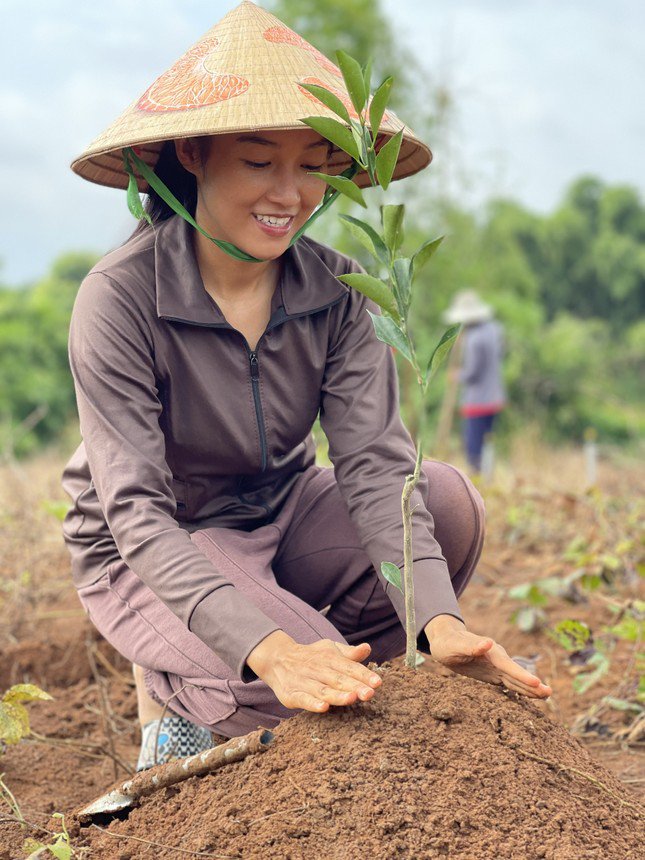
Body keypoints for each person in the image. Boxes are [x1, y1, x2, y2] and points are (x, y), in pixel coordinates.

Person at [62, 1, 550, 770]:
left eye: (313, 164)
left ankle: (274, 655)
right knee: (304, 679)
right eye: (259, 162)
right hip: (157, 539)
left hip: (280, 513)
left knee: (448, 506)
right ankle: (179, 688)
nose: (289, 193)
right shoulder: (120, 297)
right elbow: (135, 512)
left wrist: (440, 624)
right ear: (193, 154)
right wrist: (273, 648)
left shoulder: (340, 288)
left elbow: (375, 465)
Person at [444, 290, 506, 473]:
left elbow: (472, 373)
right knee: (487, 443)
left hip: (478, 400)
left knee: (473, 447)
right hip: (494, 397)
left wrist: (456, 375)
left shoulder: (474, 339)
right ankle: (486, 476)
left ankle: (478, 481)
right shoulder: (494, 330)